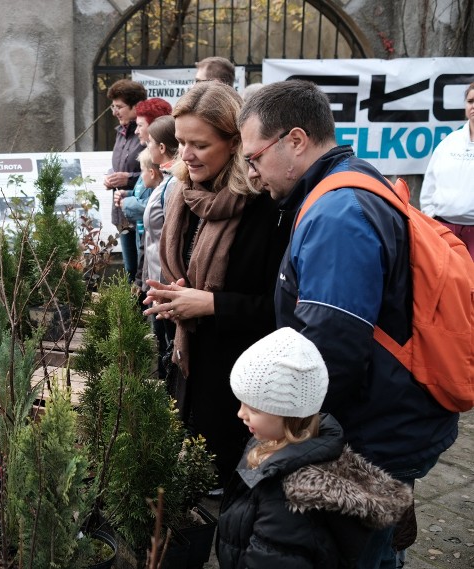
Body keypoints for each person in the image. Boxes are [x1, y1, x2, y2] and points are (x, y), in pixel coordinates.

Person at [237, 79, 459, 569]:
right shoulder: (346, 185)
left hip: (377, 430)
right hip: (393, 414)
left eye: (254, 158)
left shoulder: (336, 211)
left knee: (363, 556)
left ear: (295, 140)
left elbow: (329, 348)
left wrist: (291, 434)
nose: (252, 174)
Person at [143, 81, 291, 487]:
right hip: (189, 361)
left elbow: (280, 309)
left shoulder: (265, 205)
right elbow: (182, 274)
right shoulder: (181, 194)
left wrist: (209, 304)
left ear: (235, 143)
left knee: (229, 478)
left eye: (200, 145)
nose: (185, 155)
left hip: (241, 378)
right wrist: (170, 300)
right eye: (180, 142)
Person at [217, 327, 412, 569]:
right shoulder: (271, 444)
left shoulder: (287, 500)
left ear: (290, 416)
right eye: (241, 403)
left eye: (254, 409)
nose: (240, 414)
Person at [140, 115, 180, 379]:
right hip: (157, 280)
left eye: (151, 142)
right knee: (163, 345)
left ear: (162, 148)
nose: (147, 147)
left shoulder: (172, 184)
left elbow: (171, 237)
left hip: (166, 282)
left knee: (169, 347)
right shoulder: (166, 181)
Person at [420, 81, 474, 260]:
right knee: (448, 284)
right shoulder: (450, 142)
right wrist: (431, 220)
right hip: (445, 230)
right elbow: (430, 184)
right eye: (471, 101)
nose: (473, 106)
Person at [103, 78, 147, 282]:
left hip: (141, 211)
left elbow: (159, 172)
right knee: (129, 268)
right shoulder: (120, 133)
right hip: (121, 211)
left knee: (141, 270)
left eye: (119, 107)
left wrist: (128, 178)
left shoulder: (146, 134)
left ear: (135, 107)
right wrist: (111, 178)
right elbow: (119, 165)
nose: (114, 112)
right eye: (113, 106)